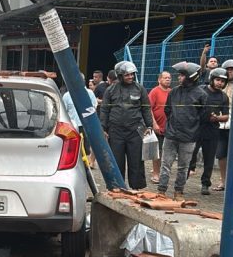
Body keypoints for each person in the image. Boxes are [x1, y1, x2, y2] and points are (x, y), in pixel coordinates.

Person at [158, 62, 207, 201]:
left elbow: (203, 116)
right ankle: (161, 191)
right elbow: (167, 110)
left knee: (183, 167)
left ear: (191, 77)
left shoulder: (201, 94)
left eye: (182, 75)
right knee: (165, 164)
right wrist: (172, 124)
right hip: (171, 135)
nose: (179, 77)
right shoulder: (174, 92)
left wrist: (192, 129)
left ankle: (178, 192)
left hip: (189, 137)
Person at [101, 61, 153, 190]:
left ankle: (136, 188)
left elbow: (146, 108)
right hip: (116, 131)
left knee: (136, 161)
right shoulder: (110, 90)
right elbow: (104, 110)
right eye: (127, 75)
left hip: (135, 131)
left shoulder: (140, 89)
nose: (130, 77)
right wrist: (103, 128)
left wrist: (149, 125)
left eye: (132, 74)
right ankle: (117, 187)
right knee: (116, 161)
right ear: (120, 76)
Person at [199, 67, 230, 195]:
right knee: (189, 156)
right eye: (217, 80)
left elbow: (226, 116)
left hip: (212, 130)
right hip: (196, 128)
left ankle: (205, 184)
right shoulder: (200, 90)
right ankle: (183, 180)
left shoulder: (223, 97)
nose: (220, 83)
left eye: (222, 81)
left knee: (209, 158)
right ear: (211, 79)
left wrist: (217, 118)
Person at [62, 76, 98, 168]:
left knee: (86, 148)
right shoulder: (67, 95)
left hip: (85, 126)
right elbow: (64, 110)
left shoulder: (89, 93)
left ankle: (86, 167)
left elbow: (93, 107)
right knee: (72, 148)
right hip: (72, 126)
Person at [215, 59, 233, 190]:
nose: (230, 72)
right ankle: (223, 180)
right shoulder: (221, 85)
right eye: (227, 70)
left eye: (232, 69)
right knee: (221, 154)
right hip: (221, 122)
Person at [148, 71, 172, 183]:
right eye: (165, 78)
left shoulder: (172, 92)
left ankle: (163, 173)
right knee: (157, 152)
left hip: (169, 127)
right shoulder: (154, 91)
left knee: (166, 152)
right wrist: (154, 124)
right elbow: (149, 109)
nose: (168, 79)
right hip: (157, 127)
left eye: (169, 78)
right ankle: (156, 173)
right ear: (159, 80)